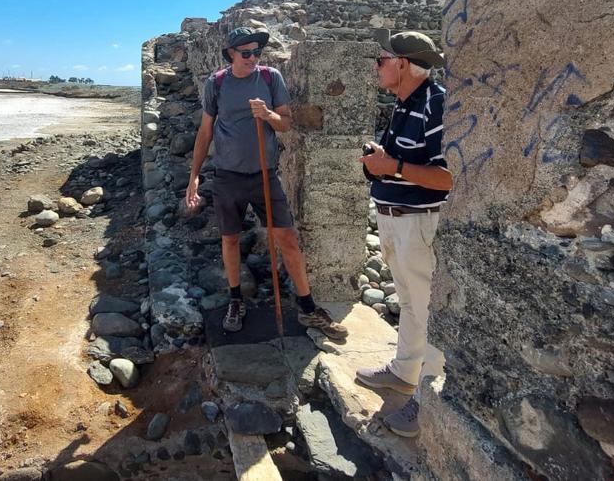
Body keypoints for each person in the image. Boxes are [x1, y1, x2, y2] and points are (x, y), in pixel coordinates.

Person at [185, 27, 348, 341]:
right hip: (227, 177)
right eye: (245, 53)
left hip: (264, 175)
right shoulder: (216, 83)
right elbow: (205, 132)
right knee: (230, 240)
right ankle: (235, 300)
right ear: (231, 54)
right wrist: (194, 177)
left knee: (287, 238)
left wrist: (268, 114)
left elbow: (285, 124)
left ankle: (308, 307)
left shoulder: (271, 77)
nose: (252, 58)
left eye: (256, 52)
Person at [354, 30, 453, 438]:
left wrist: (390, 167)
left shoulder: (436, 104)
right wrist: (380, 163)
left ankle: (424, 405)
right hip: (396, 217)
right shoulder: (404, 103)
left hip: (418, 221)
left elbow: (446, 178)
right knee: (410, 301)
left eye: (380, 60)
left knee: (425, 306)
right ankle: (403, 372)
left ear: (402, 64)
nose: (375, 67)